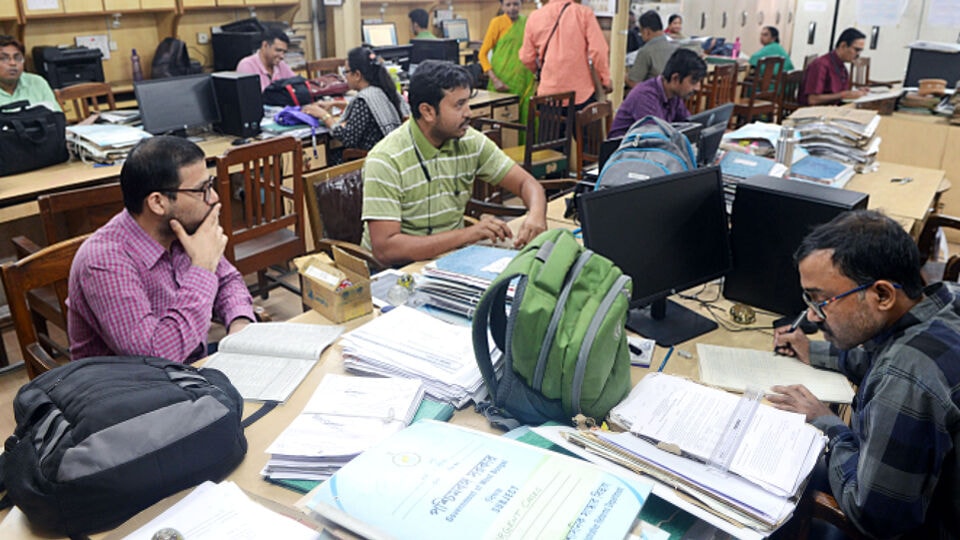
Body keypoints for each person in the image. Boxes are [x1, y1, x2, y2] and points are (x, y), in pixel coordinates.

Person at [769, 210, 960, 539]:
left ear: (882, 295)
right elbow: (885, 345)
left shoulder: (904, 379)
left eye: (822, 300)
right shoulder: (948, 298)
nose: (813, 318)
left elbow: (874, 517)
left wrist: (827, 424)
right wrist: (811, 350)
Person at [68, 136, 255, 364]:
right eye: (202, 190)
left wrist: (240, 323)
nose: (213, 198)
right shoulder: (104, 261)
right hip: (136, 388)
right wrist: (202, 269)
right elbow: (154, 356)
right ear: (158, 203)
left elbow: (227, 281)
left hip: (190, 369)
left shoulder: (184, 228)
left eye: (211, 185)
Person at [361, 61, 547, 267]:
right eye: (459, 105)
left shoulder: (469, 140)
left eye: (467, 102)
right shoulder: (386, 159)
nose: (469, 113)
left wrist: (536, 215)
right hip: (396, 272)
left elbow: (527, 184)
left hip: (448, 261)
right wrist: (468, 234)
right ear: (428, 112)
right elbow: (386, 250)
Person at [303, 47, 405, 164]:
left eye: (346, 72)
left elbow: (347, 137)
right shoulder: (383, 90)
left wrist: (325, 116)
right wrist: (335, 104)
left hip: (368, 159)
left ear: (357, 75)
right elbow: (368, 112)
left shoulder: (363, 100)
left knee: (328, 156)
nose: (344, 77)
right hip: (387, 155)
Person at [520, 0, 611, 109]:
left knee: (549, 126)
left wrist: (542, 72)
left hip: (548, 96)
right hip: (580, 95)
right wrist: (605, 80)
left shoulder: (535, 17)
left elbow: (526, 57)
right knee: (581, 124)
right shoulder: (583, 13)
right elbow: (598, 51)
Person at [610, 48, 705, 138]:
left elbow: (688, 124)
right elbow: (656, 137)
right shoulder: (645, 96)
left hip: (645, 150)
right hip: (623, 151)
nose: (698, 88)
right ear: (675, 78)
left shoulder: (674, 96)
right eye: (694, 82)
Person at [478, 0, 535, 132]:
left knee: (524, 118)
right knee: (501, 121)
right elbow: (482, 54)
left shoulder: (527, 22)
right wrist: (495, 79)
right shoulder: (496, 23)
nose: (512, 8)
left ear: (521, 5)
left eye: (516, 4)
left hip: (524, 79)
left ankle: (523, 151)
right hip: (501, 80)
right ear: (502, 6)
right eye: (508, 4)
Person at [798, 27, 867, 106]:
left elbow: (840, 93)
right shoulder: (821, 65)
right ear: (843, 46)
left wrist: (856, 92)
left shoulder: (842, 67)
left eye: (860, 51)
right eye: (856, 50)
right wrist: (843, 95)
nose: (858, 55)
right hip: (815, 112)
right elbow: (812, 100)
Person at [0, 35, 60, 111]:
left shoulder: (37, 82)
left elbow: (56, 117)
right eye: (3, 58)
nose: (13, 63)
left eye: (17, 58)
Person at [626, 10, 678, 88]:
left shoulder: (646, 51)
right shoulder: (675, 47)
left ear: (647, 32)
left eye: (641, 32)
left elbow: (634, 83)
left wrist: (623, 76)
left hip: (652, 96)